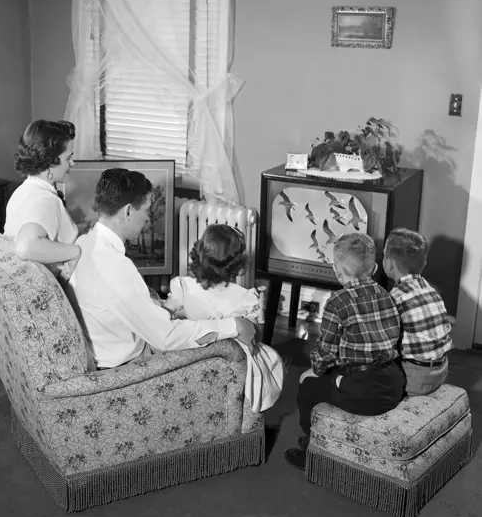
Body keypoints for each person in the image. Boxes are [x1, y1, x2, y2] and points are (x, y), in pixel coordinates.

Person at [66, 168, 258, 370]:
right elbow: (167, 337)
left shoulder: (84, 242)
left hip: (114, 343)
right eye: (146, 211)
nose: (149, 219)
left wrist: (159, 308)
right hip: (127, 367)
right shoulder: (113, 267)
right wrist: (233, 326)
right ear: (128, 211)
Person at [284, 232, 404, 471]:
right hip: (392, 383)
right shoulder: (387, 295)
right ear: (375, 267)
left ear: (336, 270)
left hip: (362, 391)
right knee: (339, 373)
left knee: (307, 388)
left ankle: (313, 451)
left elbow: (326, 351)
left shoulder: (337, 301)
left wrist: (315, 371)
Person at [162, 224, 285, 413]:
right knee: (271, 357)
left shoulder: (183, 286)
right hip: (228, 367)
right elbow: (253, 339)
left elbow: (163, 317)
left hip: (192, 359)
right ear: (238, 264)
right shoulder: (245, 298)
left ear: (200, 254)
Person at [4, 119, 80, 280]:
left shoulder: (22, 191)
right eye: (68, 158)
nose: (72, 163)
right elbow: (25, 247)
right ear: (50, 163)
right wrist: (75, 251)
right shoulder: (47, 201)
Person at [383, 227, 452, 397]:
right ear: (424, 263)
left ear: (389, 263)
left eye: (384, 254)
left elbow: (385, 344)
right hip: (441, 371)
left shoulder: (396, 297)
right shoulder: (430, 290)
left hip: (415, 378)